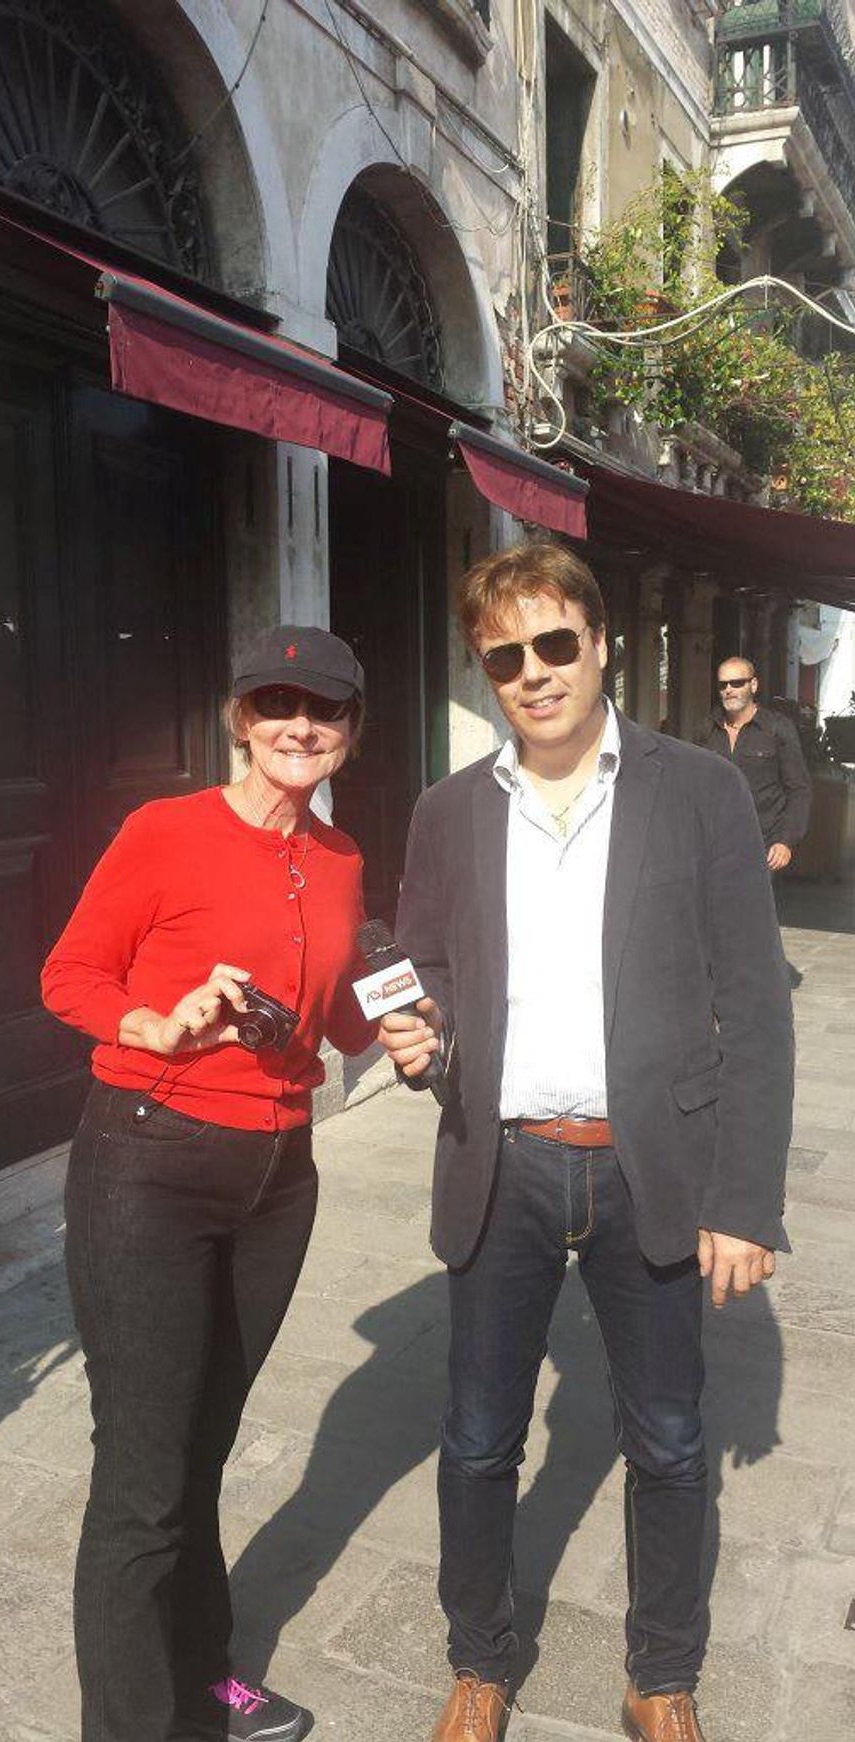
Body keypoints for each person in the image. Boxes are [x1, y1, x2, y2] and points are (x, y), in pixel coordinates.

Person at [376, 541, 793, 1742]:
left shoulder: (694, 789)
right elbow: (434, 969)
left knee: (666, 1439)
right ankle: (477, 1660)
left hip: (647, 1161)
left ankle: (659, 1673)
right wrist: (423, 1034)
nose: (532, 672)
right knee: (474, 1440)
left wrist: (743, 1200)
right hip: (500, 1160)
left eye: (554, 642)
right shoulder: (448, 809)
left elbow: (753, 1003)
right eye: (503, 655)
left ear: (601, 642)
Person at [41, 625, 376, 1742]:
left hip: (278, 1177)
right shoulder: (164, 830)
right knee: (141, 1472)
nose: (298, 725)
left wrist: (402, 1032)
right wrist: (158, 1020)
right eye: (276, 703)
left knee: (200, 1446)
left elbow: (334, 1014)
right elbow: (67, 974)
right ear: (240, 717)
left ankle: (202, 1675)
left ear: (348, 732)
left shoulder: (337, 860)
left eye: (322, 710)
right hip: (149, 1157)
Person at [696, 656, 811, 871]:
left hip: (763, 847)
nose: (729, 689)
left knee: (754, 905)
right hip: (714, 846)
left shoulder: (777, 728)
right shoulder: (708, 729)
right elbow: (695, 787)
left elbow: (799, 789)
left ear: (754, 685)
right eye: (723, 685)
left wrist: (785, 841)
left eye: (737, 683)